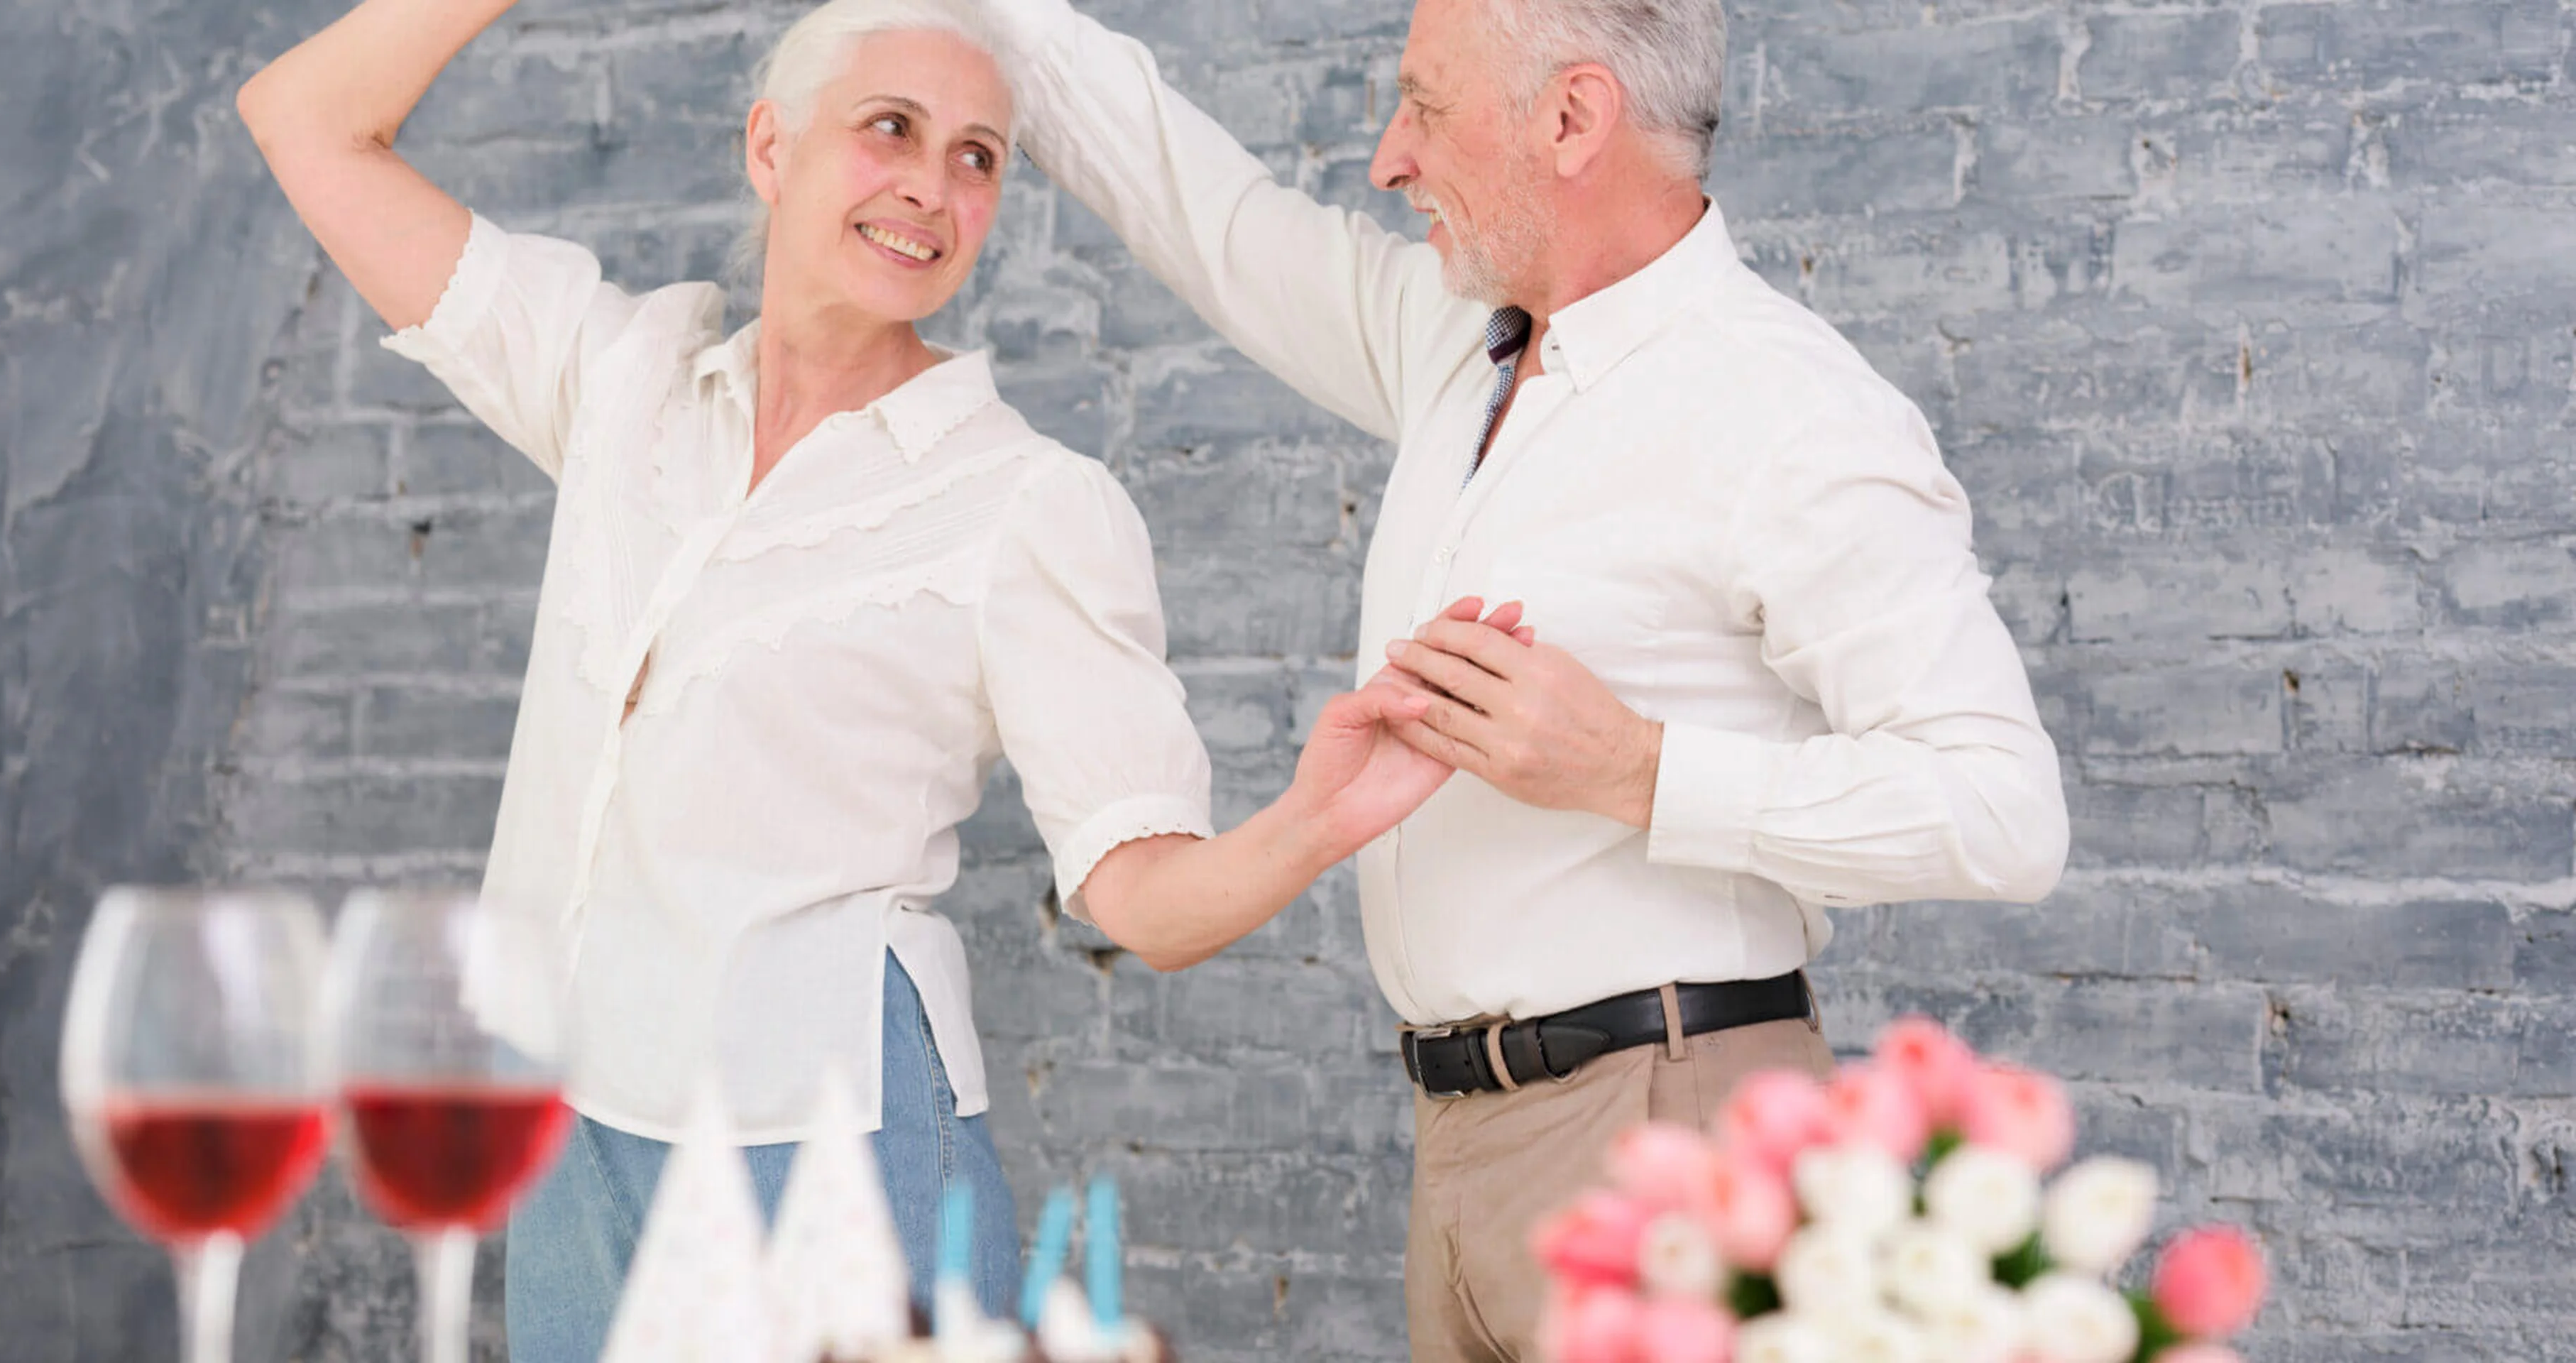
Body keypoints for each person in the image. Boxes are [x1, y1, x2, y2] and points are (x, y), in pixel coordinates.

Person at [234, 1, 1474, 1356]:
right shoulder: (622, 381)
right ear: (772, 147)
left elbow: (1143, 897)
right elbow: (305, 123)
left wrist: (1314, 823)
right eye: (891, 128)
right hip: (572, 1129)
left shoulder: (1025, 504)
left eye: (979, 157)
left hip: (820, 1143)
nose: (933, 189)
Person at [952, 0, 2076, 1355]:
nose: (1387, 156)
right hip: (1460, 1142)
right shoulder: (1457, 348)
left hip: (1670, 1127)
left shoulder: (1789, 412)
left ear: (1572, 118)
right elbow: (1212, 213)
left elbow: (2005, 811)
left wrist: (1638, 771)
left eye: (1424, 104)